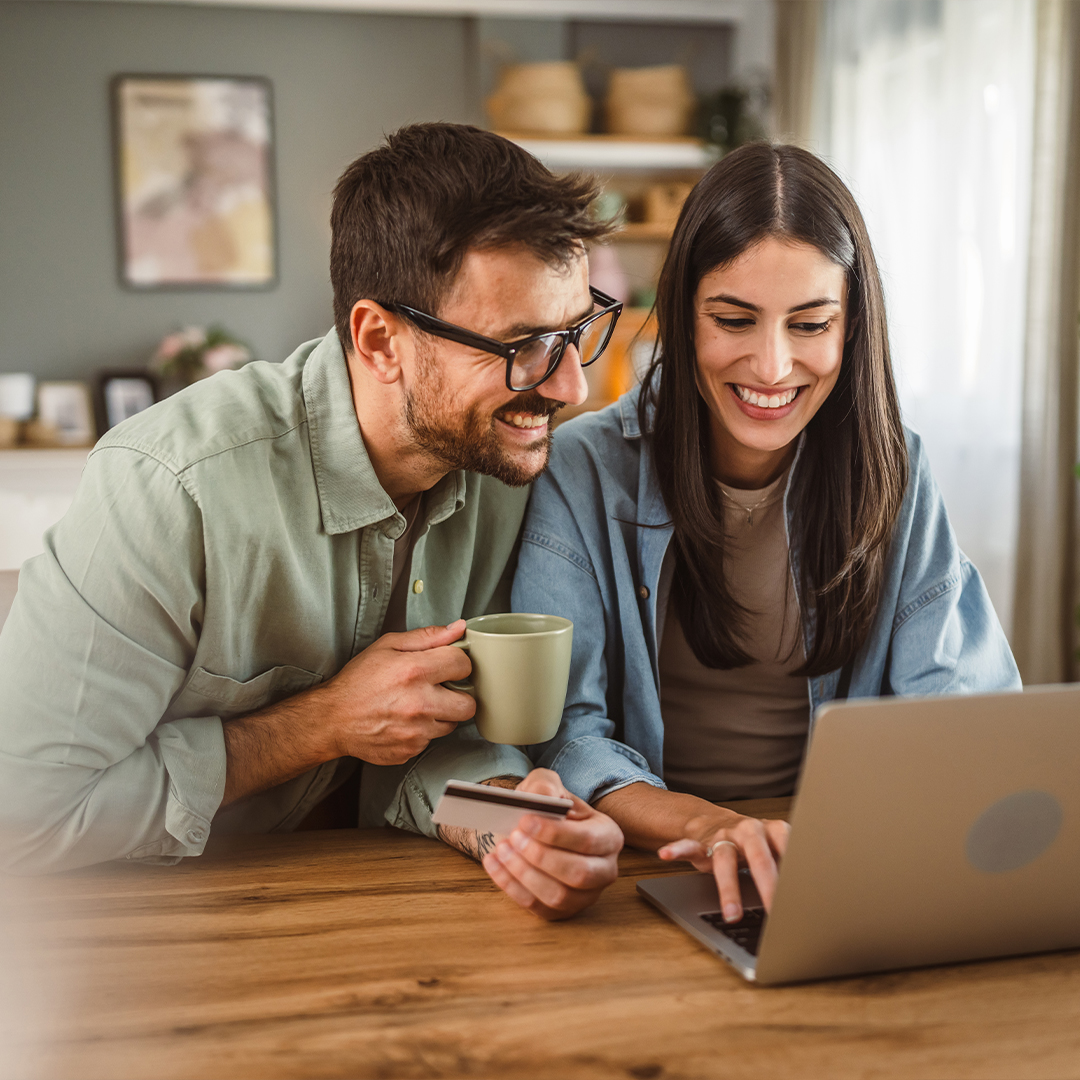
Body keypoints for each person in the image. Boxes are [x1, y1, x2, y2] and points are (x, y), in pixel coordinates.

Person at [0, 123, 622, 920]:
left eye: (576, 331)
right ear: (379, 339)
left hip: (382, 919)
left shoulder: (506, 465)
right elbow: (22, 813)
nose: (569, 385)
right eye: (525, 344)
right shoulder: (170, 488)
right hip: (141, 937)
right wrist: (320, 725)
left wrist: (517, 827)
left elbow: (426, 754)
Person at [511, 143, 1021, 924]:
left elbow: (954, 718)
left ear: (851, 329)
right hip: (650, 863)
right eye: (734, 320)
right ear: (683, 315)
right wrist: (711, 824)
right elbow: (566, 738)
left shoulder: (898, 471)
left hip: (831, 863)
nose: (774, 365)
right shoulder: (583, 470)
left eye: (810, 323)